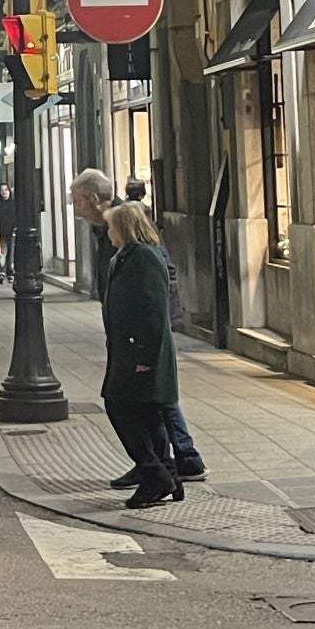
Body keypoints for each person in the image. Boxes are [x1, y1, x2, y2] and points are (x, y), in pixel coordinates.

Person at [72, 168, 208, 486]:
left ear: (94, 198)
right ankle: (158, 465)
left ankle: (178, 461)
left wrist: (155, 330)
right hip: (130, 332)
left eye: (78, 202)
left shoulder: (127, 220)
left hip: (146, 331)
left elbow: (160, 270)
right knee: (147, 400)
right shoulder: (104, 227)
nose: (75, 209)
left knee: (150, 398)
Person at [101, 202, 183, 508]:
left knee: (120, 406)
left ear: (123, 228)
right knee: (148, 413)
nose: (108, 232)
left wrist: (145, 357)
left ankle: (153, 472)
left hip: (141, 351)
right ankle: (166, 472)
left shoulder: (144, 257)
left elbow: (152, 310)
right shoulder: (128, 256)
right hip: (128, 349)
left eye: (112, 226)